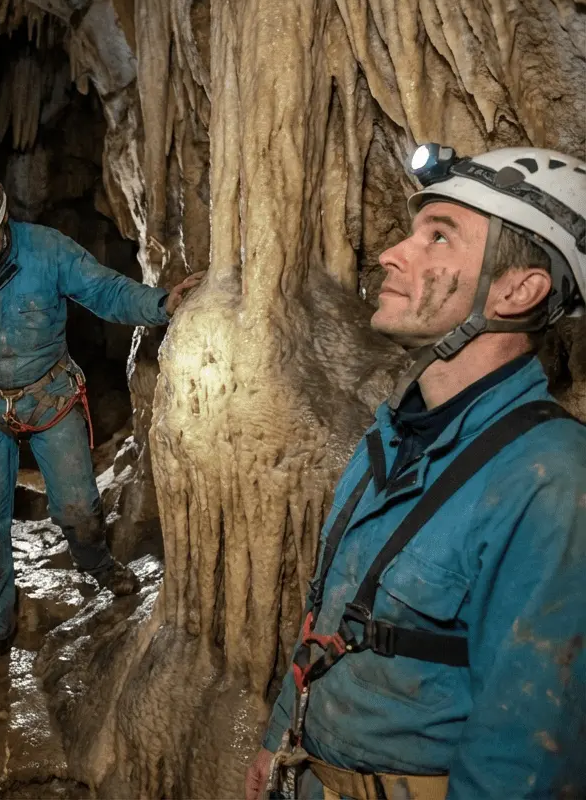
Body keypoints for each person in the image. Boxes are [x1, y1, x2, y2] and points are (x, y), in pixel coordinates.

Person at [246, 144, 586, 800]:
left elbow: (525, 760)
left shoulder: (550, 485)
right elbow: (330, 618)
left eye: (438, 236)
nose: (393, 254)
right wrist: (279, 743)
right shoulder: (391, 436)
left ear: (518, 289)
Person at [0, 157, 203, 673]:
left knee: (77, 506)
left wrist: (161, 304)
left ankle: (98, 565)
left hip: (51, 395)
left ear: (3, 217)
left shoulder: (46, 249)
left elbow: (104, 289)